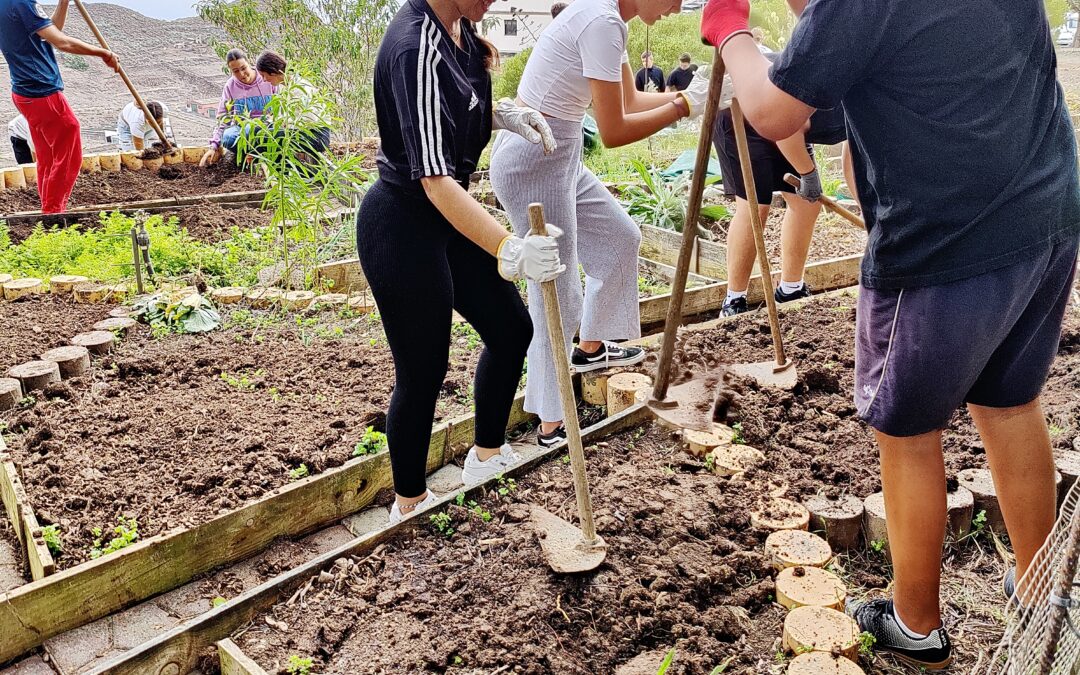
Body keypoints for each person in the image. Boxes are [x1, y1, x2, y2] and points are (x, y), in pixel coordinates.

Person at [703, 0, 1079, 669]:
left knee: (905, 430)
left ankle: (915, 625)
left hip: (943, 239)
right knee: (1010, 401)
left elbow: (773, 112)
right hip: (1042, 214)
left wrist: (730, 28)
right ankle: (1044, 593)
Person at [360, 0, 563, 524]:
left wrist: (504, 113)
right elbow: (434, 179)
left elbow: (456, 106)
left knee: (511, 327)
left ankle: (486, 457)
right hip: (403, 223)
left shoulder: (459, 29)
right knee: (424, 369)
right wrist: (508, 248)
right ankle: (410, 506)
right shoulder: (414, 46)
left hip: (446, 219)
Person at [490, 0, 709, 448]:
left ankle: (589, 347)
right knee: (558, 287)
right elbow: (614, 131)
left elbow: (629, 101)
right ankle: (552, 421)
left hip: (560, 151)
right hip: (535, 158)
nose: (675, 7)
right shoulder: (601, 20)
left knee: (619, 237)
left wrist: (692, 97)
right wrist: (685, 106)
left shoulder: (610, 20)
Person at [0, 0, 118, 213]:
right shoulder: (22, 3)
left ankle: (48, 209)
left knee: (48, 157)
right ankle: (53, 212)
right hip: (42, 93)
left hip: (25, 93)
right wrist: (104, 53)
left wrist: (63, 2)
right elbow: (63, 43)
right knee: (70, 156)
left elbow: (52, 32)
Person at [200, 48, 276, 167]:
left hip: (268, 128)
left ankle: (258, 155)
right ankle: (253, 155)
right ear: (230, 71)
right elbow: (224, 118)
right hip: (243, 131)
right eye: (235, 71)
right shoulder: (230, 87)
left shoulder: (266, 78)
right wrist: (213, 146)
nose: (241, 74)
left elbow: (280, 105)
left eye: (243, 68)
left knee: (258, 131)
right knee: (229, 137)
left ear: (249, 63)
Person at [255, 50, 331, 157]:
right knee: (258, 130)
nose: (263, 80)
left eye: (263, 75)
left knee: (265, 137)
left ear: (272, 71)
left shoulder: (300, 87)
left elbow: (309, 120)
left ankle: (291, 172)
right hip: (297, 131)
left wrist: (284, 124)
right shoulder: (283, 87)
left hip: (316, 135)